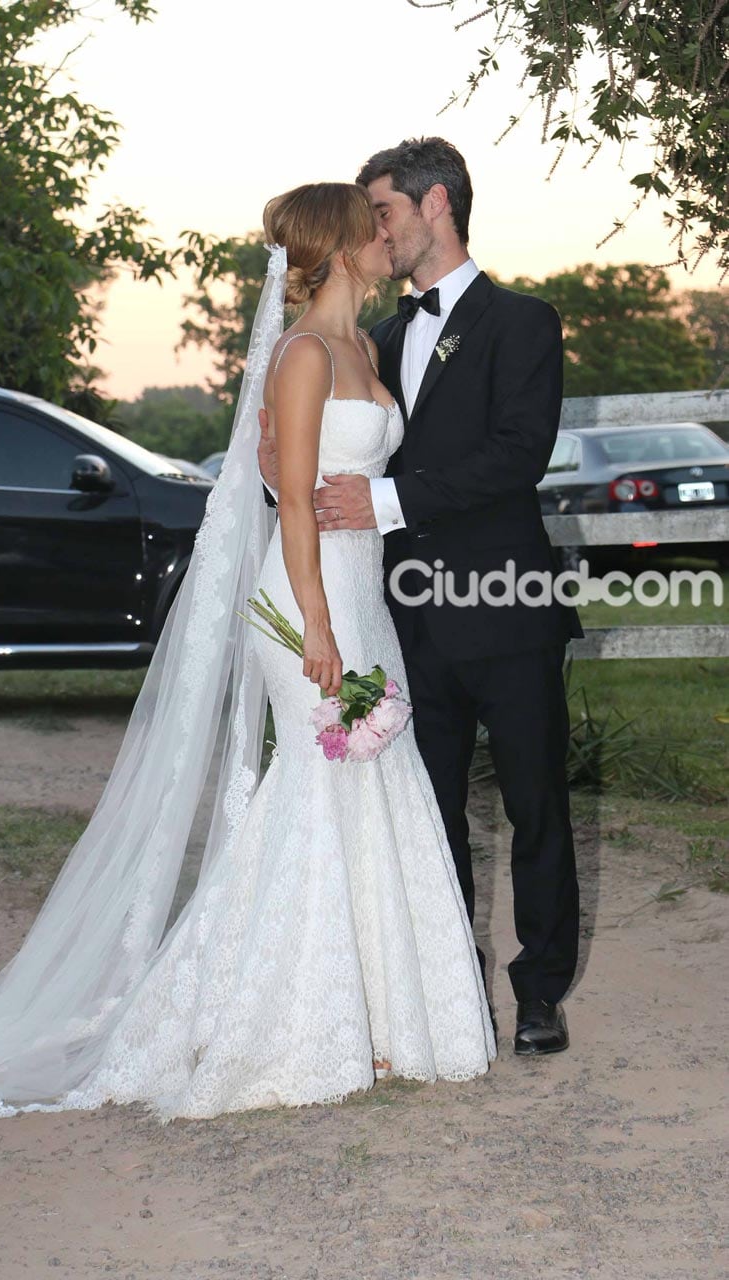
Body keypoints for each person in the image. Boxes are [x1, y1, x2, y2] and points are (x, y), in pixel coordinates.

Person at [0, 182, 495, 1122]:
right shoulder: (299, 355)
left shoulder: (364, 347)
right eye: (371, 226)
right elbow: (289, 500)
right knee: (317, 787)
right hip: (306, 600)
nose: (387, 235)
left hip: (363, 594)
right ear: (335, 247)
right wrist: (319, 628)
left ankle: (383, 1012)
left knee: (373, 782)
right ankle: (284, 1017)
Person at [261, 139, 582, 1056]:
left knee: (535, 804)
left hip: (505, 604)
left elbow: (518, 454)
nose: (375, 228)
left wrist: (384, 500)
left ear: (434, 204)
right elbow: (323, 462)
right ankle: (444, 987)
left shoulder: (522, 321)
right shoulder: (372, 338)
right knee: (422, 810)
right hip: (398, 620)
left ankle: (539, 990)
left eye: (385, 210)